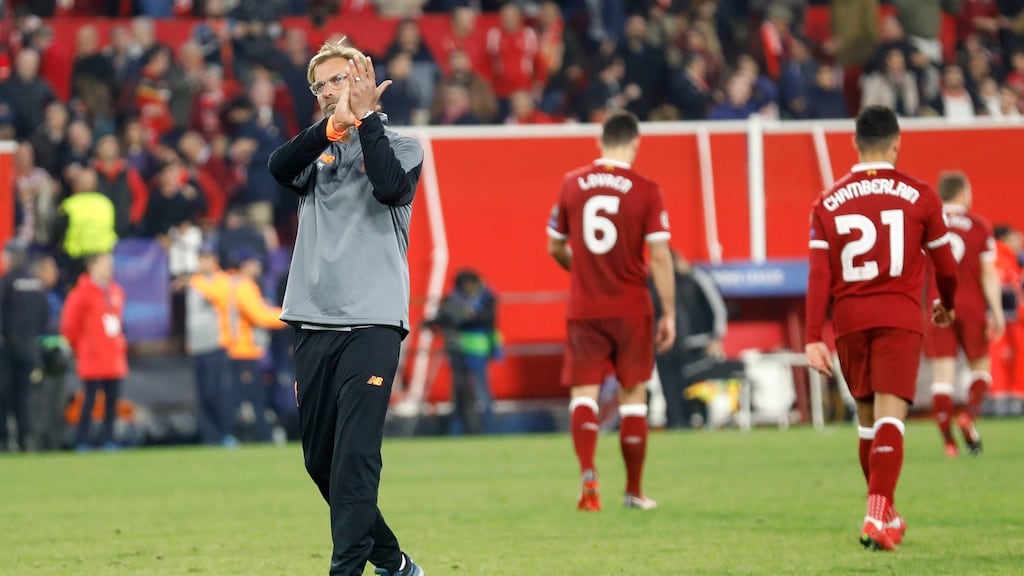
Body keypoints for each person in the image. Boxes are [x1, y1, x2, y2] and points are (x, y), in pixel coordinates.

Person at [267, 39, 425, 576]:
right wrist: (333, 128)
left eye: (339, 79)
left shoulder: (403, 146)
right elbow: (277, 165)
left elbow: (387, 189)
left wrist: (369, 119)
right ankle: (395, 562)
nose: (330, 91)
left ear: (362, 77)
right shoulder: (318, 153)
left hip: (373, 321)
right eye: (321, 86)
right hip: (313, 319)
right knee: (320, 464)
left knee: (355, 457)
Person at [805, 105, 958, 552]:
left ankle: (885, 515)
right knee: (892, 418)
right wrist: (946, 304)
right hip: (899, 317)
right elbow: (946, 267)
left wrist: (814, 335)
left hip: (850, 322)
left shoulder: (826, 201)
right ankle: (875, 516)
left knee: (869, 425)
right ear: (896, 143)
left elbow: (818, 275)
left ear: (854, 143)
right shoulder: (921, 195)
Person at [546, 110, 676, 512]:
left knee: (583, 394)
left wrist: (581, 269)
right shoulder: (646, 189)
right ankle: (633, 491)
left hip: (585, 307)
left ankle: (588, 473)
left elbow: (554, 246)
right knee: (633, 396)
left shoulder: (572, 184)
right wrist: (669, 311)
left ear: (600, 141)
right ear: (635, 142)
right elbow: (659, 257)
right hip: (631, 307)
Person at [924, 171, 1004, 457]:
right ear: (960, 192)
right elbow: (988, 274)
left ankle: (948, 444)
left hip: (937, 305)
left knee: (942, 376)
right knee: (980, 368)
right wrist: (997, 311)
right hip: (971, 305)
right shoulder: (979, 226)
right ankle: (969, 415)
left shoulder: (927, 223)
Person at [650, 249, 728, 429]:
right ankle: (676, 423)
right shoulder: (652, 283)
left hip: (697, 344)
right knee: (670, 391)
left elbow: (717, 309)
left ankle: (701, 419)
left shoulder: (694, 278)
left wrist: (716, 337)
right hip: (665, 346)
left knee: (696, 390)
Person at [61, 252, 129, 452]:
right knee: (89, 399)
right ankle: (83, 440)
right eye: (105, 264)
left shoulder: (116, 291)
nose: (109, 267)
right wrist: (80, 347)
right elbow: (69, 326)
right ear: (92, 267)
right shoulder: (81, 293)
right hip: (92, 355)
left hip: (113, 356)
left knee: (112, 400)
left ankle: (109, 439)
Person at [425, 269, 500, 435]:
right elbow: (444, 316)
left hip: (478, 351)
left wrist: (469, 316)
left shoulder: (487, 297)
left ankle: (488, 428)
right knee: (459, 390)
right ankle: (459, 429)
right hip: (458, 350)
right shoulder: (454, 297)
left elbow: (489, 319)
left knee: (481, 390)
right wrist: (432, 322)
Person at [224, 251, 285, 443]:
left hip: (240, 351)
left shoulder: (235, 284)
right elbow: (259, 316)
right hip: (244, 352)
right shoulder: (244, 286)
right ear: (245, 265)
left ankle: (230, 436)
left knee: (243, 398)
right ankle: (259, 437)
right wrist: (289, 315)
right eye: (255, 263)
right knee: (253, 399)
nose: (258, 267)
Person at [0, 242, 51, 451]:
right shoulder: (36, 284)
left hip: (7, 347)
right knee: (25, 394)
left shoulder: (6, 282)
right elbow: (44, 315)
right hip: (30, 347)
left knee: (3, 394)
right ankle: (25, 438)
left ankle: (3, 439)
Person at [187, 243, 234, 446]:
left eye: (207, 258)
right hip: (198, 345)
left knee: (218, 393)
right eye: (201, 258)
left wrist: (196, 282)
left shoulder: (222, 280)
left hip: (216, 343)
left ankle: (226, 434)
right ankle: (210, 437)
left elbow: (219, 297)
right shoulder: (196, 283)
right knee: (204, 394)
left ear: (215, 260)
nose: (204, 262)